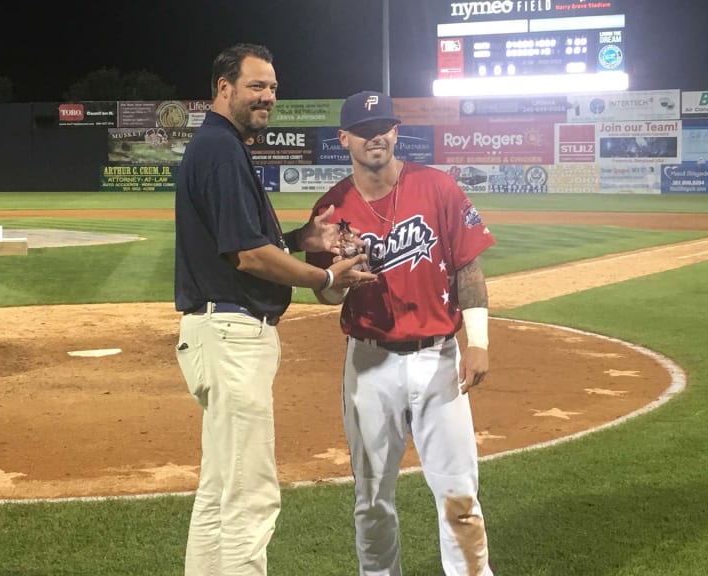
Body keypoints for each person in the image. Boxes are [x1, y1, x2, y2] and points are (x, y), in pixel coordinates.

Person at [173, 44, 375, 576]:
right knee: (251, 496)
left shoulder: (220, 146)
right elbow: (249, 256)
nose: (268, 97)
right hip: (233, 333)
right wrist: (327, 276)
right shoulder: (220, 149)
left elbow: (244, 243)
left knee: (221, 492)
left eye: (273, 88)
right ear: (224, 87)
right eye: (257, 86)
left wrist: (297, 237)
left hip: (217, 330)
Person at [307, 90, 496, 576]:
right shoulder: (330, 210)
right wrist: (337, 281)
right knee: (371, 500)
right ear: (344, 138)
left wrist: (478, 343)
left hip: (439, 360)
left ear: (396, 132)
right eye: (365, 130)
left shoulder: (437, 186)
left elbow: (467, 271)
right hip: (370, 364)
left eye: (385, 127)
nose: (377, 137)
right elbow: (323, 295)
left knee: (460, 495)